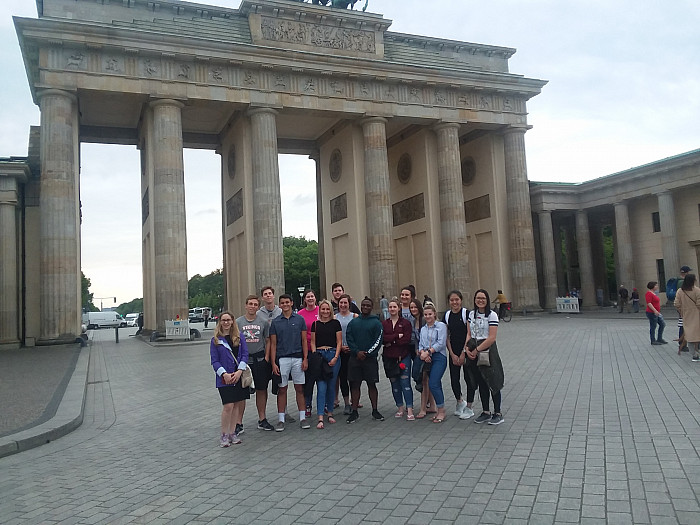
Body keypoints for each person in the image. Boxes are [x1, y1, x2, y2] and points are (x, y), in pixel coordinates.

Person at [270, 294, 310, 431]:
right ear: (279, 305)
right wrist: (273, 363)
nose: (285, 304)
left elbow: (304, 340)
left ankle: (303, 417)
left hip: (298, 358)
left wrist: (305, 358)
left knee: (299, 388)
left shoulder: (299, 319)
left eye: (287, 302)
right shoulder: (275, 322)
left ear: (292, 303)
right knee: (282, 389)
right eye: (282, 303)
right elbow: (273, 344)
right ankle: (281, 419)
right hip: (282, 358)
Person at [209, 311, 249, 447]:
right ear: (220, 322)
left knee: (237, 404)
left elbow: (245, 355)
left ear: (233, 321)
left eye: (228, 320)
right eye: (223, 320)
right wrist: (224, 374)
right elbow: (214, 361)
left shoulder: (240, 337)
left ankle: (233, 432)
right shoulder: (216, 340)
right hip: (224, 378)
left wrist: (239, 371)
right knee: (228, 406)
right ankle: (224, 434)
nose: (226, 322)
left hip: (238, 375)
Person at [236, 295, 275, 432]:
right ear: (246, 305)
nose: (252, 306)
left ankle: (262, 419)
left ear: (258, 307)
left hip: (259, 360)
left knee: (262, 389)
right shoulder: (238, 322)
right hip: (245, 362)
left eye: (255, 304)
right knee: (242, 392)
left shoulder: (264, 322)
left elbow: (268, 340)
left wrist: (266, 357)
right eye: (250, 304)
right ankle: (238, 423)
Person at [467, 289, 505, 425]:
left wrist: (477, 349)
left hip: (488, 350)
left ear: (487, 300)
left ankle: (498, 412)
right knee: (481, 381)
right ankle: (486, 411)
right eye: (478, 298)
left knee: (493, 380)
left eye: (483, 298)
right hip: (474, 348)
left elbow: (492, 338)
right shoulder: (471, 314)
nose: (480, 300)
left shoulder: (492, 315)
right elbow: (469, 333)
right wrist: (467, 348)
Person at [346, 297, 384, 423]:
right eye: (364, 305)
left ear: (371, 307)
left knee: (371, 384)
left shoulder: (376, 323)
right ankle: (355, 411)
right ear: (360, 306)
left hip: (370, 359)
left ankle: (375, 410)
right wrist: (357, 351)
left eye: (368, 305)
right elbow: (349, 338)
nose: (366, 307)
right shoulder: (354, 322)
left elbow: (378, 340)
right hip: (355, 358)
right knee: (355, 384)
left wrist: (367, 353)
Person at [310, 299, 342, 428]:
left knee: (331, 385)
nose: (325, 311)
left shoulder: (336, 323)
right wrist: (314, 354)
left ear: (330, 310)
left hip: (333, 353)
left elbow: (339, 341)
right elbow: (312, 341)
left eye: (327, 309)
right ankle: (320, 416)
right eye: (323, 309)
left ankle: (330, 413)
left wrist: (335, 357)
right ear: (320, 310)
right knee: (321, 386)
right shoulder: (315, 324)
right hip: (320, 355)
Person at [444, 290, 475, 420]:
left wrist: (463, 353)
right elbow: (446, 336)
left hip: (466, 350)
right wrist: (451, 354)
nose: (454, 302)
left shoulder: (466, 314)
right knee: (454, 379)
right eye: (452, 300)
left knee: (469, 379)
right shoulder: (447, 315)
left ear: (461, 300)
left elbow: (470, 333)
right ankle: (459, 401)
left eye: (457, 299)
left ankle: (469, 407)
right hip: (453, 351)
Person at [382, 299, 415, 420]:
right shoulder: (384, 323)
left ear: (399, 308)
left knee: (405, 383)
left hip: (403, 356)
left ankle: (410, 408)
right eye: (390, 307)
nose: (392, 309)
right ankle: (400, 407)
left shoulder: (405, 323)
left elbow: (406, 340)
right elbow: (383, 339)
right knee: (394, 384)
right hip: (389, 358)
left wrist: (391, 341)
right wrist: (396, 337)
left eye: (394, 307)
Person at [417, 303, 447, 423]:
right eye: (426, 314)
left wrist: (428, 352)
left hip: (439, 356)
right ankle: (438, 408)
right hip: (427, 357)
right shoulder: (423, 329)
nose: (428, 316)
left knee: (434, 382)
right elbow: (420, 344)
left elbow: (441, 343)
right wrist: (423, 353)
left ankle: (441, 410)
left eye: (430, 314)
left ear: (434, 314)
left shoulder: (441, 326)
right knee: (431, 383)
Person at [335, 293, 359, 415]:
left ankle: (355, 401)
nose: (343, 305)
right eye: (341, 303)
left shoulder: (355, 317)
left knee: (353, 378)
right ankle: (346, 403)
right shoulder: (334, 318)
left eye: (345, 303)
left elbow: (358, 335)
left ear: (349, 304)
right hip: (340, 351)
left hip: (352, 351)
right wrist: (340, 347)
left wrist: (352, 346)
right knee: (343, 377)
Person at [298, 289, 320, 416]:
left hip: (321, 349)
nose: (310, 298)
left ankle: (324, 405)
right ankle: (307, 405)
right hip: (307, 350)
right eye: (308, 297)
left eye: (312, 296)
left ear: (315, 298)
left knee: (321, 380)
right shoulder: (301, 314)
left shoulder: (321, 311)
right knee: (308, 380)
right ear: (305, 299)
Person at [674, 273, 700, 361]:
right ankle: (696, 352)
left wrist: (681, 311)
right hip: (696, 314)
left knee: (689, 334)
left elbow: (676, 303)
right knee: (696, 334)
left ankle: (694, 353)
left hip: (685, 314)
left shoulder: (680, 291)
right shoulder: (696, 290)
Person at [645, 281, 667, 345]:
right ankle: (653, 340)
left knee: (662, 324)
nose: (657, 286)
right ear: (652, 286)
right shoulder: (649, 293)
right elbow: (649, 303)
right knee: (653, 326)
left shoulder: (654, 293)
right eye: (656, 285)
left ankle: (659, 338)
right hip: (651, 312)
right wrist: (655, 310)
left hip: (656, 312)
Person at [677, 266, 692, 352]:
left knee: (683, 325)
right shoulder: (683, 282)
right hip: (684, 307)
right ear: (685, 273)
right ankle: (682, 344)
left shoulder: (679, 282)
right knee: (683, 325)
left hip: (682, 307)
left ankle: (683, 343)